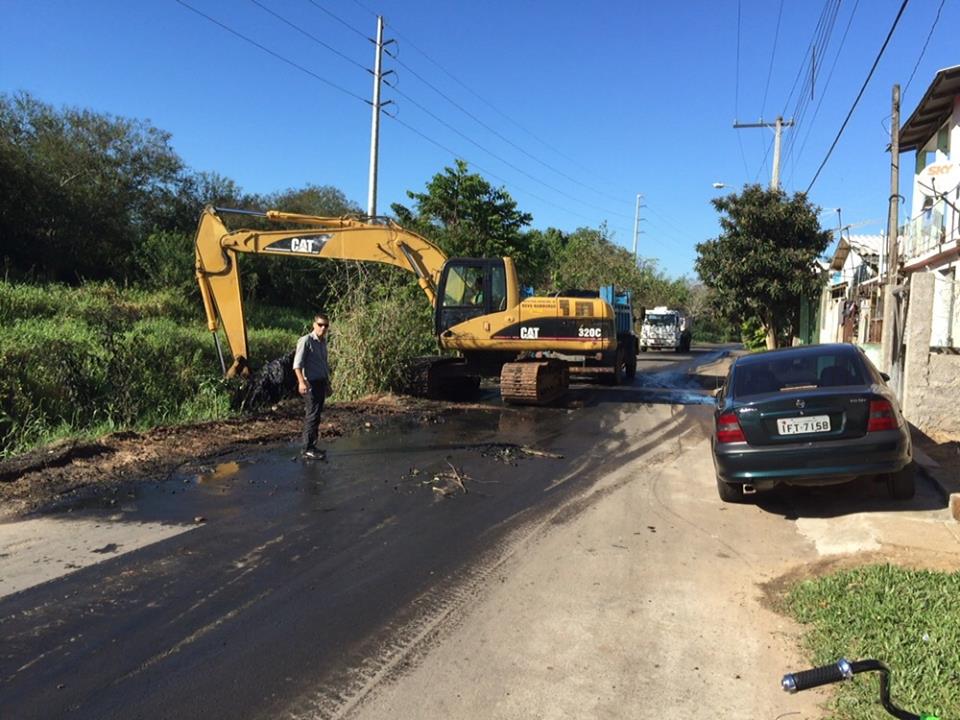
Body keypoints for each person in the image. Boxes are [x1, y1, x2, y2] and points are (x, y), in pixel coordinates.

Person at [293, 312, 332, 459]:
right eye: (320, 325)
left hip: (320, 382)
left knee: (316, 415)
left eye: (326, 325)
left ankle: (312, 446)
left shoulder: (322, 342)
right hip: (310, 384)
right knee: (312, 415)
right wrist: (301, 382)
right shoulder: (306, 341)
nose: (323, 328)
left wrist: (327, 384)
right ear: (314, 325)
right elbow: (297, 364)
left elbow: (323, 364)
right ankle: (307, 449)